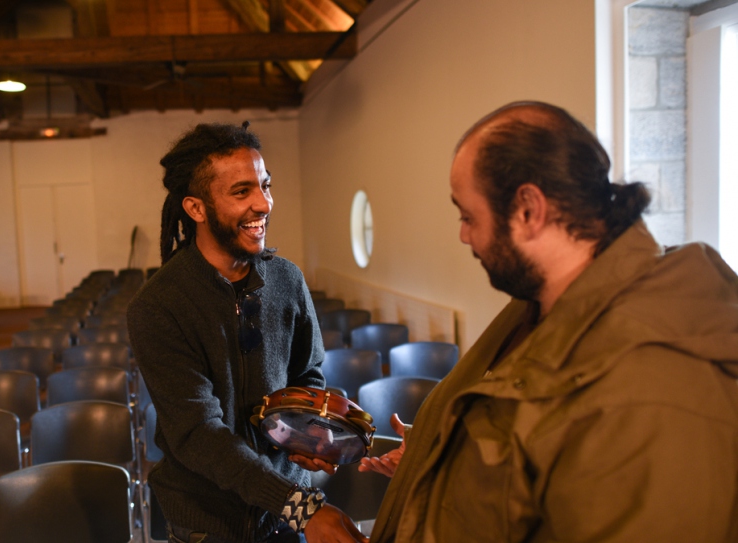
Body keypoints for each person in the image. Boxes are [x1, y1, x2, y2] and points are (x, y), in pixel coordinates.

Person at [361, 101, 738, 542]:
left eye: (468, 216)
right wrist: (440, 462)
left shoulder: (650, 391)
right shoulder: (539, 302)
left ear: (528, 209)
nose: (464, 234)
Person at [127, 122, 367, 543]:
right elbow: (198, 434)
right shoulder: (158, 305)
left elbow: (306, 376)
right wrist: (299, 505)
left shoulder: (287, 280)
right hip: (209, 521)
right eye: (242, 192)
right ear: (196, 208)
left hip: (284, 513)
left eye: (265, 185)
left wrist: (304, 436)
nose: (264, 203)